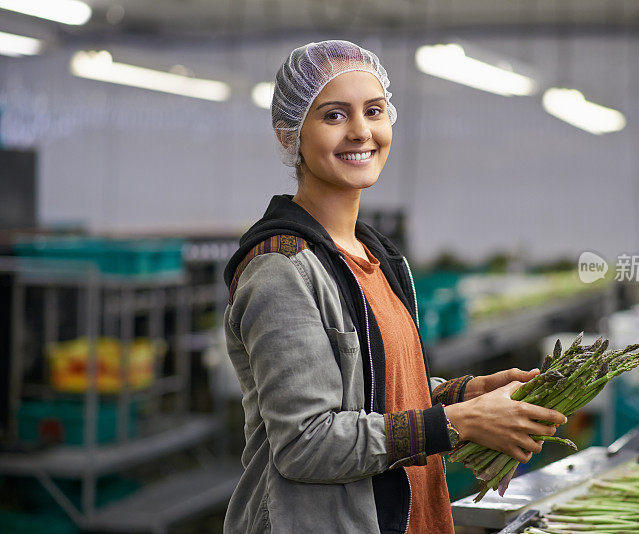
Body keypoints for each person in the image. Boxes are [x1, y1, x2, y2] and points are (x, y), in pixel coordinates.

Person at [222, 40, 567, 534]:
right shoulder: (282, 269)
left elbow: (373, 392)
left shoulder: (376, 256)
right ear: (290, 134)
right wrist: (459, 424)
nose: (361, 131)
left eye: (374, 110)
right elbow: (305, 443)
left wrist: (460, 396)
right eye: (335, 115)